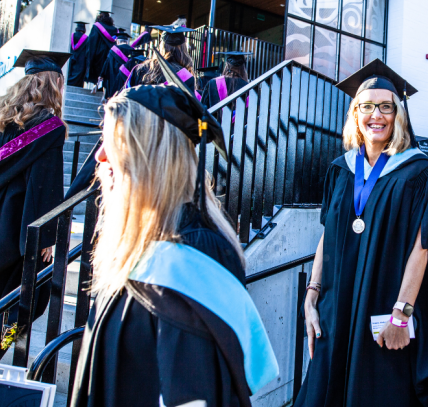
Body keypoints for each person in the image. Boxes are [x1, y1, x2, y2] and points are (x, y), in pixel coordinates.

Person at [70, 56, 278, 407]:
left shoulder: (192, 254)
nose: (100, 157)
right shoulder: (145, 243)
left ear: (149, 156)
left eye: (114, 143)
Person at [296, 59, 428, 407]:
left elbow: (422, 247)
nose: (376, 115)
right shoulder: (340, 169)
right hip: (336, 308)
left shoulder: (418, 172)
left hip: (383, 310)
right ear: (356, 114)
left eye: (386, 107)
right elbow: (329, 233)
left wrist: (402, 312)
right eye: (367, 107)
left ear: (398, 115)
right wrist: (312, 292)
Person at [0, 50, 70, 325]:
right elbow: (45, 183)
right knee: (24, 301)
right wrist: (45, 234)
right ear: (53, 84)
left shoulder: (4, 116)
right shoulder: (49, 128)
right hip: (15, 221)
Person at [128, 25, 199, 100]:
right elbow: (189, 109)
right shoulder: (186, 77)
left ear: (161, 45)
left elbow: (126, 97)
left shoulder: (140, 69)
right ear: (183, 48)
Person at [201, 52, 250, 116]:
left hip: (214, 124)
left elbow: (202, 108)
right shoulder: (248, 88)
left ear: (226, 66)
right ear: (243, 68)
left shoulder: (212, 83)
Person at [85, 11, 118, 87]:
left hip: (98, 54)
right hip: (109, 54)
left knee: (97, 71)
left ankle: (96, 85)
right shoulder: (114, 30)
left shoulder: (96, 27)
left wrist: (89, 55)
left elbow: (92, 42)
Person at [99, 29, 134, 99]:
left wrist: (101, 75)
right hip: (126, 78)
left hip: (113, 77)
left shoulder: (113, 50)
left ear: (117, 41)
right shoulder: (132, 50)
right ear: (127, 42)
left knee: (113, 95)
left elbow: (107, 64)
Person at [67, 21, 89, 86]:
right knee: (79, 74)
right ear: (84, 29)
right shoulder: (86, 39)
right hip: (81, 60)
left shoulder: (71, 36)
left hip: (71, 57)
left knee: (70, 71)